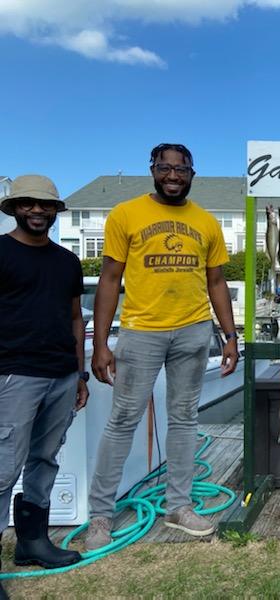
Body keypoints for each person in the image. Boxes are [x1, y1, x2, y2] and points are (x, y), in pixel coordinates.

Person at [85, 144, 239, 550]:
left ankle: (179, 505)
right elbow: (108, 280)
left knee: (185, 419)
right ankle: (100, 515)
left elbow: (217, 282)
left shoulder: (206, 222)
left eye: (181, 169)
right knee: (123, 420)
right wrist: (101, 343)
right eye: (165, 168)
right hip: (141, 332)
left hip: (192, 330)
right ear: (153, 170)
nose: (173, 175)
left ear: (192, 173)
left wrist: (230, 336)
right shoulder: (126, 214)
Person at [0, 175, 85, 591]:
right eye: (29, 204)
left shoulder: (67, 260)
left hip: (62, 374)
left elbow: (75, 318)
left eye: (46, 205)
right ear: (15, 207)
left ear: (55, 211)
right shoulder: (0, 251)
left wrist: (80, 374)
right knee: (2, 469)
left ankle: (32, 541)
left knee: (45, 459)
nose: (37, 210)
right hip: (13, 374)